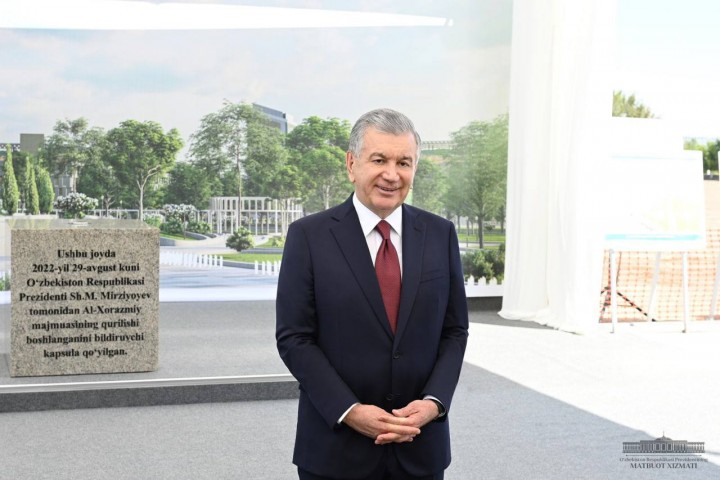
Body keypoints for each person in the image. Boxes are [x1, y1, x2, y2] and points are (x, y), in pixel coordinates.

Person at [276, 108, 469, 480]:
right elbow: (294, 338)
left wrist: (434, 403)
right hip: (335, 450)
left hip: (420, 447)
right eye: (379, 160)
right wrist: (349, 410)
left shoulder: (440, 234)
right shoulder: (308, 237)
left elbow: (454, 331)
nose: (392, 174)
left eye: (404, 162)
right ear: (352, 164)